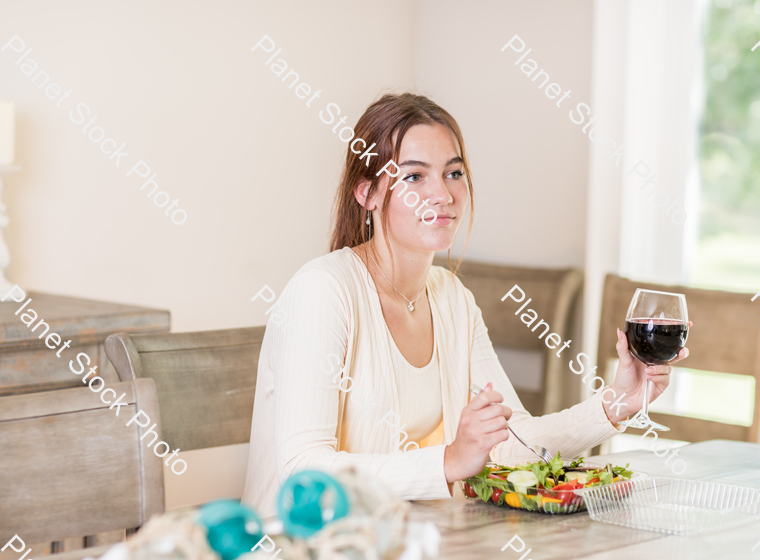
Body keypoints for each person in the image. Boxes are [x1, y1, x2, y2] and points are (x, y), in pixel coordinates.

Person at [242, 92, 689, 516]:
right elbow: (303, 472)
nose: (443, 193)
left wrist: (617, 403)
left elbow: (509, 442)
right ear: (368, 193)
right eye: (414, 176)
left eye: (453, 173)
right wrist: (448, 462)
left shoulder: (452, 298)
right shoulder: (323, 291)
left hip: (407, 555)